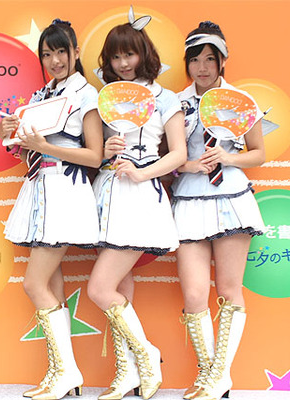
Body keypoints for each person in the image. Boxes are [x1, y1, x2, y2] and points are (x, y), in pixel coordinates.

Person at [0, 19, 103, 400]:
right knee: (52, 286)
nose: (55, 60)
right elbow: (24, 150)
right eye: (47, 54)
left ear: (76, 52)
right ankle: (61, 372)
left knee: (33, 284)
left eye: (61, 51)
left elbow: (94, 155)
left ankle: (67, 372)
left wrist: (45, 147)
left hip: (64, 191)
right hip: (40, 187)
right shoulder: (42, 95)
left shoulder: (87, 95)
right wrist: (8, 134)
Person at [86, 7, 186, 400]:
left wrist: (143, 174)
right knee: (120, 288)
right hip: (108, 193)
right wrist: (107, 150)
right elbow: (95, 151)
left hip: (139, 197)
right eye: (116, 57)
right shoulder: (105, 98)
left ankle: (147, 355)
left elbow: (178, 153)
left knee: (100, 289)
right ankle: (127, 371)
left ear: (143, 53)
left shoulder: (165, 98)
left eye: (129, 54)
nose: (123, 63)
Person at [171, 21, 265, 400]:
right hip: (189, 198)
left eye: (210, 59)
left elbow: (258, 153)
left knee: (228, 289)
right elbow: (164, 156)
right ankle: (209, 372)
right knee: (194, 294)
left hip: (230, 196)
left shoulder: (240, 100)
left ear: (223, 60)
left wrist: (229, 157)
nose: (202, 67)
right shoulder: (175, 103)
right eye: (195, 60)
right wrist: (187, 165)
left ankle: (219, 378)